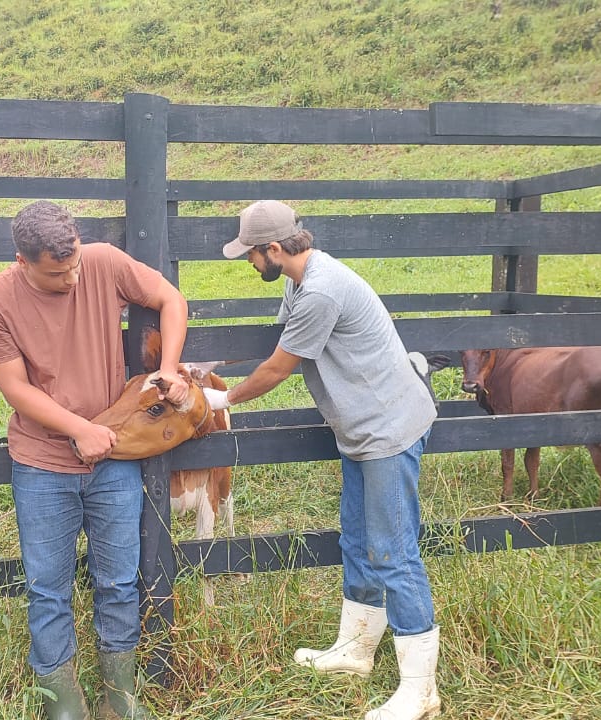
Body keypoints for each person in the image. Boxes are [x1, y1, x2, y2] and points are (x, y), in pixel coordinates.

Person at [205, 200, 440, 720]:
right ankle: (356, 651)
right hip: (360, 430)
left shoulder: (320, 292)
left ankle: (420, 690)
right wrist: (207, 365)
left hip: (387, 429)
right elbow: (278, 346)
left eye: (249, 254)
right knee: (356, 539)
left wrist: (220, 399)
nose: (247, 263)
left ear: (273, 249)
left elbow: (277, 369)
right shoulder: (298, 281)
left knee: (393, 553)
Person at [0, 200, 189, 720]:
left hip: (116, 453)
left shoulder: (102, 261)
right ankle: (62, 706)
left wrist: (170, 368)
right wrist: (78, 429)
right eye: (56, 272)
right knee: (48, 587)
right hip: (42, 461)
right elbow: (16, 390)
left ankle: (121, 699)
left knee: (118, 579)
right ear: (22, 261)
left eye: (73, 265)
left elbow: (170, 298)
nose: (72, 277)